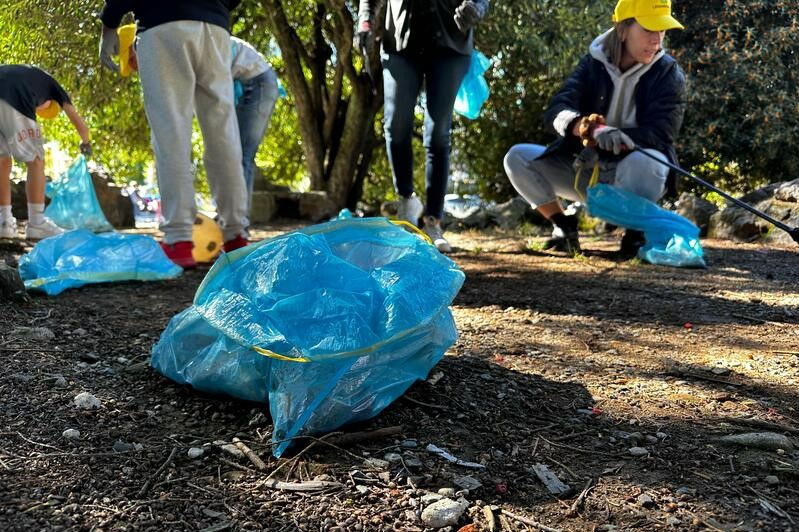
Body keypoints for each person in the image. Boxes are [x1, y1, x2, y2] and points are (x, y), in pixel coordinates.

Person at [503, 0, 686, 257]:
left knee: (652, 163)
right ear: (623, 29)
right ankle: (564, 226)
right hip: (584, 169)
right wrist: (582, 126)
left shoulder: (668, 73)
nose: (657, 40)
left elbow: (662, 132)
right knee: (517, 157)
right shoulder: (592, 63)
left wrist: (622, 137)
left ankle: (635, 235)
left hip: (630, 173)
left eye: (662, 30)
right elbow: (557, 108)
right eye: (648, 29)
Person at [98, 0, 249, 269]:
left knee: (171, 132)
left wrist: (109, 23)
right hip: (215, 27)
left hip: (163, 22)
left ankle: (179, 240)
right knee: (223, 132)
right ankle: (236, 236)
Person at [356, 0, 490, 252]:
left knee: (438, 134)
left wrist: (477, 6)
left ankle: (433, 222)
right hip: (399, 41)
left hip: (450, 41)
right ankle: (407, 200)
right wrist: (365, 18)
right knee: (396, 126)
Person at [0, 65, 92, 240]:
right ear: (51, 101)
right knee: (36, 160)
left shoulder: (30, 75)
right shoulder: (53, 87)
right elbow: (81, 125)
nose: (39, 110)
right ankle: (37, 223)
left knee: (2, 161)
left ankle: (4, 221)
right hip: (14, 95)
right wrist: (86, 143)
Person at [230, 36, 279, 213]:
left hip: (259, 82)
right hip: (247, 82)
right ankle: (234, 215)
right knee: (235, 154)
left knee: (242, 154)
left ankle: (238, 217)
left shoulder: (210, 38)